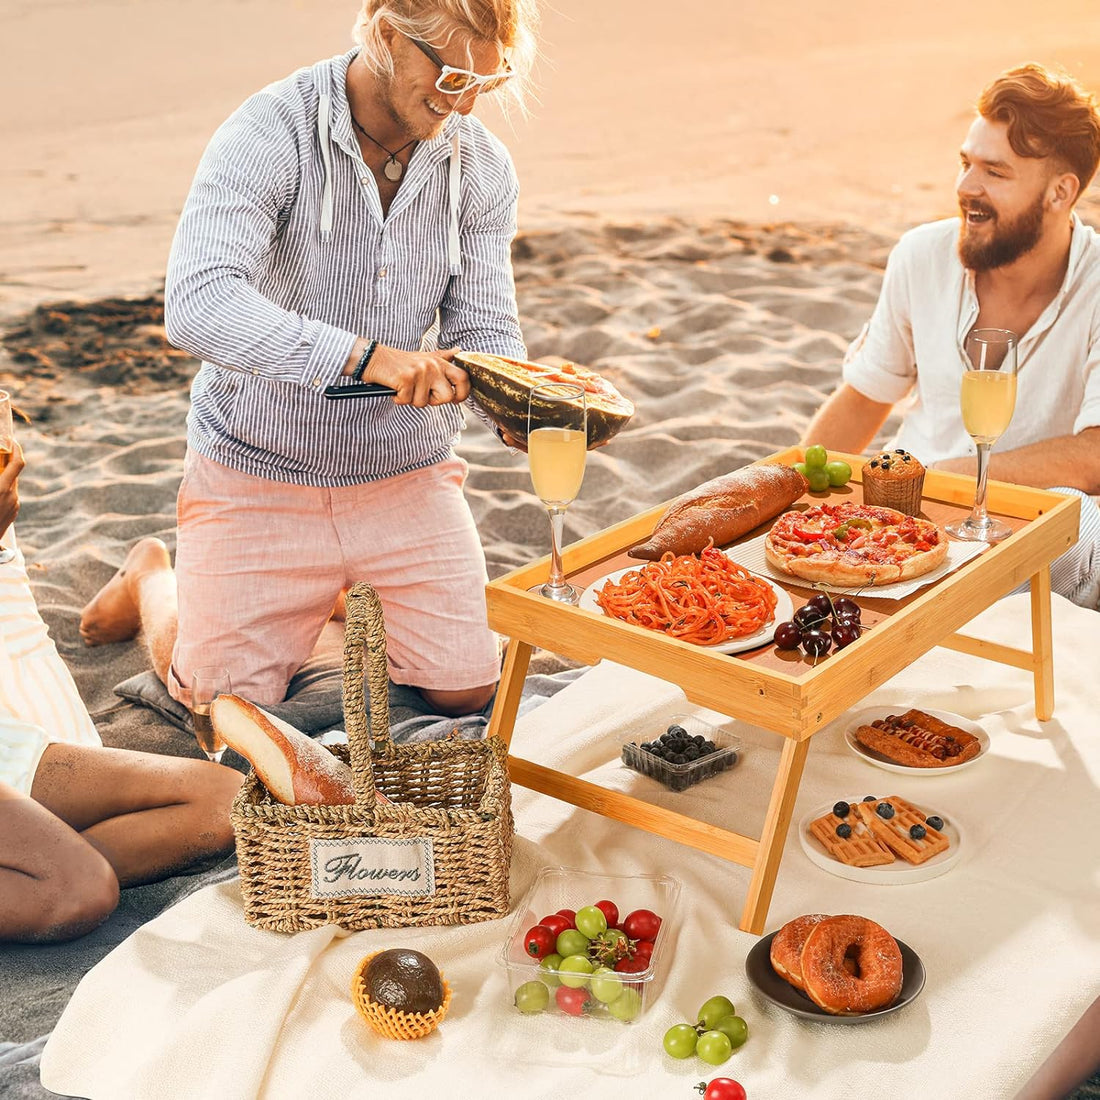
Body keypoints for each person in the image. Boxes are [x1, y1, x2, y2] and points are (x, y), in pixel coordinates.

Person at [81, 0, 540, 716]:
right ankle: (152, 578)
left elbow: (484, 323)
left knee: (465, 690)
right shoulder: (267, 130)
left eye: (489, 80)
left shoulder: (480, 166)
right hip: (258, 463)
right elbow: (197, 304)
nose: (466, 102)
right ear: (388, 34)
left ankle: (323, 597)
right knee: (218, 703)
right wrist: (366, 358)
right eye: (450, 75)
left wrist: (514, 403)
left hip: (405, 471)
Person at [803, 63, 1100, 608]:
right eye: (966, 163)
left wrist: (945, 478)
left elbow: (1094, 457)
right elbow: (866, 396)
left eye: (995, 172)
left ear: (1061, 193)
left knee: (1084, 525)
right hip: (905, 510)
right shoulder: (920, 255)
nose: (966, 188)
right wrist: (797, 490)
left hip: (1026, 520)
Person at [0, 444, 242, 944]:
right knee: (75, 890)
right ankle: (48, 869)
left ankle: (38, 868)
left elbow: (12, 612)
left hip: (16, 729)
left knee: (224, 801)